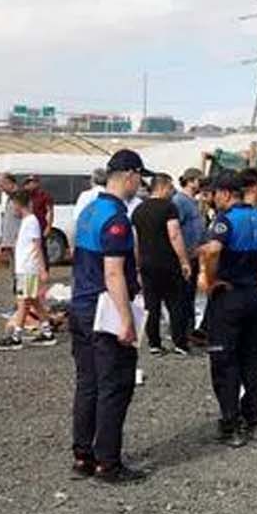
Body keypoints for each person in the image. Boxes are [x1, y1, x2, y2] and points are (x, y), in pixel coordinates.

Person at [67, 149, 151, 484]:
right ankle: (108, 463)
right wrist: (127, 322)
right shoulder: (117, 220)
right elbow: (113, 274)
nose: (139, 185)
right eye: (139, 178)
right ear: (129, 175)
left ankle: (83, 454)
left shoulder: (89, 210)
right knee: (114, 386)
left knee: (87, 383)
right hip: (105, 312)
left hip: (81, 306)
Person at [200, 168, 257, 446]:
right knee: (252, 359)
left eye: (215, 195)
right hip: (254, 297)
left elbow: (212, 250)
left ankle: (231, 424)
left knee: (225, 361)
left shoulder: (225, 221)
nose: (213, 200)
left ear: (225, 194)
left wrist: (211, 279)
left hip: (229, 297)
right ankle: (256, 419)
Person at [132, 173, 193, 356]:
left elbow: (135, 241)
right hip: (168, 262)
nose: (172, 191)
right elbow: (174, 234)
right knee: (176, 303)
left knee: (151, 305)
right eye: (170, 188)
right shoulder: (169, 207)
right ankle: (180, 343)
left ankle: (154, 344)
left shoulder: (138, 210)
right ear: (163, 187)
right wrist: (184, 260)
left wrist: (136, 266)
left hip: (146, 263)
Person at [0, 189, 55, 350]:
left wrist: (42, 269)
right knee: (34, 301)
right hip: (24, 268)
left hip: (28, 269)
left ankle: (16, 337)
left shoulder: (31, 221)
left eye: (13, 206)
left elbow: (37, 246)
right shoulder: (27, 221)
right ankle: (47, 332)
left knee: (23, 303)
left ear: (17, 205)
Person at [174, 168, 208, 342]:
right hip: (185, 256)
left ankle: (189, 330)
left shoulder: (193, 202)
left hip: (194, 255)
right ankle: (182, 333)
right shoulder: (180, 201)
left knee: (190, 295)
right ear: (191, 181)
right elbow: (174, 228)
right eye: (199, 180)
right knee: (184, 296)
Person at [0, 173, 21, 269]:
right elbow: (8, 222)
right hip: (11, 243)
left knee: (20, 272)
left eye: (2, 186)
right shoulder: (10, 198)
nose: (1, 189)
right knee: (14, 271)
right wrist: (4, 242)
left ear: (9, 183)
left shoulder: (20, 198)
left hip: (18, 243)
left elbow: (24, 219)